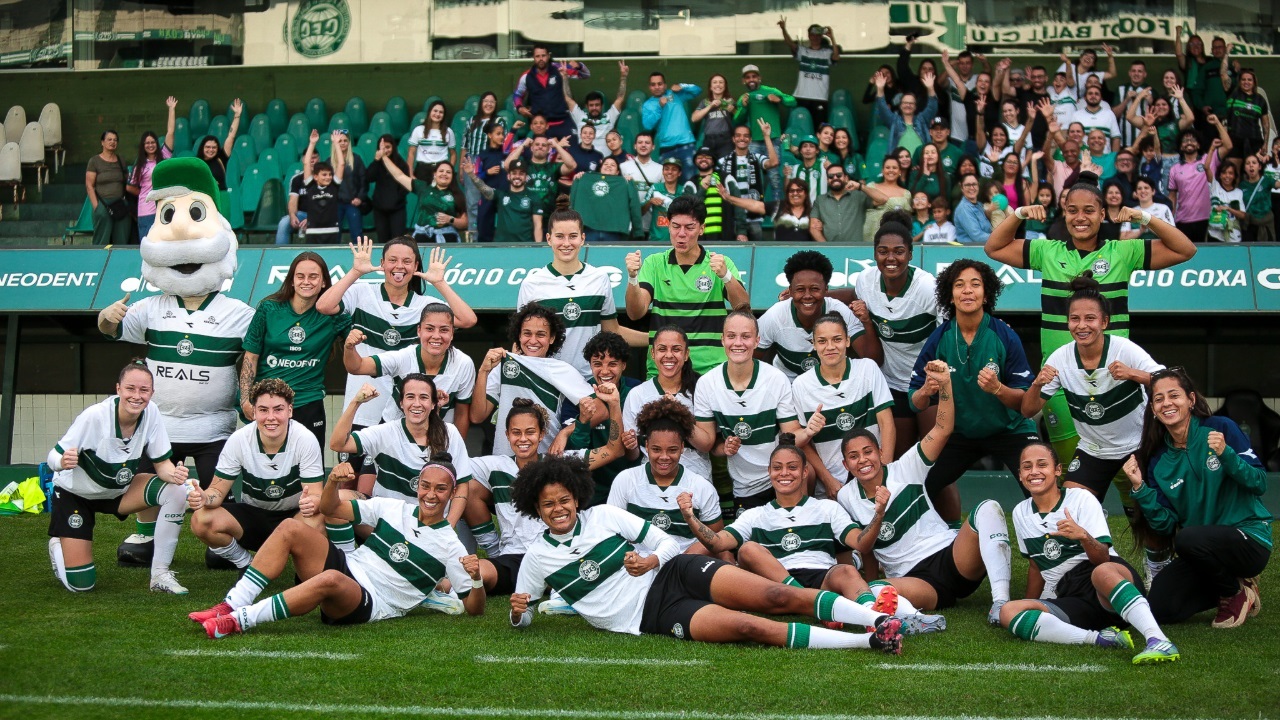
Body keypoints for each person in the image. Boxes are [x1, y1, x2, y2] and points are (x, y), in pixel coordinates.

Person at [509, 454, 906, 652]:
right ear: (536, 509)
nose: (558, 509)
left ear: (576, 497)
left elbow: (665, 544)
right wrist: (517, 612)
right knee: (750, 627)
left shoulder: (605, 516)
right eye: (548, 505)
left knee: (777, 596)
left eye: (564, 499)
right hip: (652, 615)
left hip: (674, 572)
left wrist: (650, 560)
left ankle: (877, 618)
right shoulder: (537, 557)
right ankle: (868, 641)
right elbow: (524, 613)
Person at [985, 175, 1195, 462]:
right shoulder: (1047, 251)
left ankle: (1133, 507)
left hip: (1114, 377)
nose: (1080, 217)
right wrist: (1019, 213)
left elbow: (1186, 249)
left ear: (1103, 214)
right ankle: (1077, 507)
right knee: (1071, 460)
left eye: (1088, 210)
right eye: (1072, 210)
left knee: (1125, 463)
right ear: (1064, 213)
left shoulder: (1123, 251)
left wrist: (1145, 217)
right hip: (1059, 378)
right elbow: (993, 248)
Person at [683, 433, 946, 635]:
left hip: (821, 578)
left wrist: (878, 514)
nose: (784, 473)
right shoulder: (755, 514)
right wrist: (690, 517)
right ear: (769, 472)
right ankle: (811, 601)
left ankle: (875, 618)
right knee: (749, 549)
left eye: (792, 467)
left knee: (845, 572)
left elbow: (861, 544)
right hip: (776, 583)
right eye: (778, 468)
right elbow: (718, 543)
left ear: (805, 471)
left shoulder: (827, 508)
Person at [191, 458, 484, 639]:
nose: (430, 494)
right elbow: (330, 507)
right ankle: (231, 603)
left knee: (330, 579)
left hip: (372, 600)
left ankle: (238, 621)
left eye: (441, 489)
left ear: (453, 492)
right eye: (425, 485)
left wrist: (476, 579)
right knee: (291, 528)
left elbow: (474, 608)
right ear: (417, 485)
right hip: (348, 565)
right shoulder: (393, 507)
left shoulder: (451, 546)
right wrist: (332, 482)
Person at [836, 358, 1013, 619]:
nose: (862, 460)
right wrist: (879, 513)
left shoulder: (906, 467)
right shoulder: (845, 497)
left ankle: (1001, 603)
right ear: (845, 464)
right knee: (871, 589)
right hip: (916, 581)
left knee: (988, 508)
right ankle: (921, 621)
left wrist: (944, 386)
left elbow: (942, 429)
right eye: (853, 456)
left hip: (952, 559)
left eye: (868, 452)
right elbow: (867, 548)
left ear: (881, 452)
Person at [1000, 443, 1180, 664]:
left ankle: (1158, 639)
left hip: (1106, 581)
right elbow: (1036, 566)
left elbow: (1102, 558)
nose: (1034, 472)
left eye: (1042, 465)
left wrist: (1083, 536)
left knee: (1101, 571)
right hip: (1071, 597)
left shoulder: (1080, 499)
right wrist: (1031, 602)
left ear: (1057, 470)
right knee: (1008, 611)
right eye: (1027, 467)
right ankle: (1098, 639)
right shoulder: (1020, 513)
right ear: (1020, 475)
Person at [316, 237, 477, 475]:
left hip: (400, 411)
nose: (399, 266)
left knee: (387, 477)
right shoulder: (362, 293)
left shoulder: (426, 305)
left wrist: (440, 283)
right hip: (363, 404)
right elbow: (324, 306)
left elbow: (467, 319)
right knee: (348, 475)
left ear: (415, 267)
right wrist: (355, 272)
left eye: (407, 261)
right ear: (382, 263)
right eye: (392, 260)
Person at [1126, 368, 1271, 627]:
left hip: (1247, 539)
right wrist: (1140, 489)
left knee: (1189, 538)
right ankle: (1233, 583)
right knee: (1160, 608)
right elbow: (1165, 524)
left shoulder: (1221, 428)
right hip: (1200, 550)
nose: (1166, 403)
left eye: (1174, 395)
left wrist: (1226, 454)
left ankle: (1233, 592)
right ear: (1153, 410)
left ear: (1191, 400)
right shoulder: (1158, 460)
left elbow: (1259, 483)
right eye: (1159, 399)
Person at [909, 258, 1038, 524]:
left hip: (1009, 430)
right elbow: (915, 402)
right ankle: (932, 543)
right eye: (959, 285)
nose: (967, 290)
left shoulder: (1004, 335)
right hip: (960, 434)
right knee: (917, 486)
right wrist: (926, 389)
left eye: (975, 284)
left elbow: (1025, 403)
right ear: (950, 295)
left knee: (1039, 482)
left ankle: (1053, 546)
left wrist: (998, 389)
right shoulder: (940, 338)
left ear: (986, 293)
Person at [46, 361, 190, 594]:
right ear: (118, 389)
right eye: (130, 388)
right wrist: (61, 462)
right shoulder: (94, 417)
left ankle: (160, 575)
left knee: (177, 490)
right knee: (81, 585)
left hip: (118, 491)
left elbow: (162, 464)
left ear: (151, 393)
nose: (137, 396)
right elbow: (54, 455)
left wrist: (175, 475)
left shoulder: (151, 412)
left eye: (144, 390)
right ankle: (58, 544)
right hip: (76, 495)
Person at [1020, 274, 1162, 503]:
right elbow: (1027, 410)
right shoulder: (1060, 358)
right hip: (1093, 450)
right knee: (1070, 509)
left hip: (1137, 445)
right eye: (1074, 319)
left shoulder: (1123, 349)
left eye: (1090, 318)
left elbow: (1168, 380)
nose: (1082, 325)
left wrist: (1132, 374)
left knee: (1150, 514)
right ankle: (1097, 535)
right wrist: (1037, 384)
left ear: (1104, 322)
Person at [690, 311, 822, 514]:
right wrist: (724, 447)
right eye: (732, 336)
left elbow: (791, 433)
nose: (738, 343)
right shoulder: (707, 384)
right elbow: (709, 445)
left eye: (746, 336)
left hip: (779, 475)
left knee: (808, 474)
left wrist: (808, 432)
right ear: (722, 339)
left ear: (757, 340)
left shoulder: (775, 379)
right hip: (745, 485)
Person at [187, 378, 324, 571]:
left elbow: (317, 495)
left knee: (318, 520)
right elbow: (217, 491)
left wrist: (312, 502)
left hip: (293, 518)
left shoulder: (305, 439)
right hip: (253, 516)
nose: (271, 417)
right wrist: (204, 497)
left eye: (278, 409)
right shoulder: (239, 439)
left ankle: (303, 570)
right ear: (253, 412)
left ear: (290, 411)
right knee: (201, 519)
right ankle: (246, 564)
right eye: (263, 410)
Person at [625, 196, 750, 375]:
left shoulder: (721, 263)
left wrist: (726, 276)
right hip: (664, 370)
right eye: (675, 226)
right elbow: (635, 313)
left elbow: (743, 307)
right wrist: (632, 278)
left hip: (711, 370)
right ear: (668, 226)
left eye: (689, 227)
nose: (681, 233)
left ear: (701, 229)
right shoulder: (654, 263)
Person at [240, 251, 352, 449]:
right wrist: (245, 400)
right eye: (300, 276)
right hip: (268, 403)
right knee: (263, 470)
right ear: (291, 280)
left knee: (309, 471)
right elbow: (251, 357)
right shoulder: (268, 308)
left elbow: (363, 341)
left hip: (308, 403)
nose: (306, 282)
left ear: (324, 282)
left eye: (313, 276)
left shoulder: (333, 315)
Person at [518, 209, 644, 379]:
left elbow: (612, 331)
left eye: (573, 236)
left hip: (589, 381)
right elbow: (522, 341)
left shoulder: (599, 279)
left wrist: (656, 339)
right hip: (547, 379)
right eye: (560, 236)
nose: (566, 243)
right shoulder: (532, 284)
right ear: (549, 239)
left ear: (583, 239)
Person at [330, 376, 473, 519]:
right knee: (332, 501)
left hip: (429, 522)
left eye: (423, 397)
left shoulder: (450, 433)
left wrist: (448, 525)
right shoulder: (385, 432)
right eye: (410, 397)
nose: (417, 404)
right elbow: (338, 444)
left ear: (433, 403)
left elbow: (462, 485)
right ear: (401, 403)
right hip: (386, 520)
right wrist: (356, 402)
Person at [470, 302, 602, 456]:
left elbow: (601, 410)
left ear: (552, 338)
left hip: (546, 463)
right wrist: (483, 371)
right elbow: (477, 416)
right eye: (527, 333)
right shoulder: (503, 365)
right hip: (505, 463)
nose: (533, 341)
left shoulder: (562, 370)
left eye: (540, 334)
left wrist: (565, 433)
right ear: (518, 335)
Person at [791, 313, 894, 499]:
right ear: (813, 344)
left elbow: (886, 423)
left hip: (874, 476)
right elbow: (804, 443)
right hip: (834, 484)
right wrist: (828, 480)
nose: (830, 347)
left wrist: (884, 472)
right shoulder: (801, 385)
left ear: (847, 341)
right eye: (822, 341)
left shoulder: (867, 369)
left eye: (837, 339)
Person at [609, 396, 722, 555]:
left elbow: (717, 541)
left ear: (682, 447)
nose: (664, 457)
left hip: (685, 566)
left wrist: (690, 518)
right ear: (646, 446)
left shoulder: (701, 486)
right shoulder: (626, 480)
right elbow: (611, 532)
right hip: (638, 567)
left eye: (672, 450)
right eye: (656, 449)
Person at [342, 302, 475, 437]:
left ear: (452, 333)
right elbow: (357, 367)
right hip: (393, 437)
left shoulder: (463, 364)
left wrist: (456, 451)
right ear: (419, 331)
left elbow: (462, 414)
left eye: (444, 330)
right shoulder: (403, 357)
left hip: (436, 439)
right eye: (429, 329)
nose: (436, 336)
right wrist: (349, 348)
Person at [757, 250, 879, 381]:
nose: (808, 296)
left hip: (830, 385)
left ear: (826, 289)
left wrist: (867, 322)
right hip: (788, 387)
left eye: (815, 289)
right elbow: (751, 361)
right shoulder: (774, 316)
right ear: (790, 291)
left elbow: (872, 361)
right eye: (800, 289)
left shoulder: (841, 312)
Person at [549, 331, 640, 504]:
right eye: (597, 364)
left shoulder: (636, 392)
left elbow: (642, 449)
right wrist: (582, 422)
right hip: (591, 489)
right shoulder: (577, 392)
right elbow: (574, 451)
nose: (604, 371)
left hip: (631, 486)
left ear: (623, 365)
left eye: (612, 364)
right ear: (590, 365)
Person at [621, 326, 711, 481]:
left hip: (696, 478)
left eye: (676, 349)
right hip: (651, 481)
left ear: (686, 354)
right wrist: (630, 445)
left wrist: (677, 413)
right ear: (653, 353)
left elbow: (706, 445)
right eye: (662, 349)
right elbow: (633, 455)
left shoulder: (701, 389)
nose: (669, 355)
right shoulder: (638, 394)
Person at [734, 65, 795, 203]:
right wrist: (743, 106)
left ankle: (777, 213)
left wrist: (780, 99)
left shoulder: (770, 91)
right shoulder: (744, 97)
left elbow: (793, 101)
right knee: (753, 179)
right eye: (748, 77)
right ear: (743, 81)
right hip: (754, 142)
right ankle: (755, 213)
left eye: (754, 76)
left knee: (775, 180)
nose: (751, 79)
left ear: (759, 78)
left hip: (773, 141)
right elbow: (737, 120)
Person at [1167, 115, 1232, 242]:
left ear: (1198, 145)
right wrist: (1169, 219)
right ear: (1180, 147)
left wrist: (1218, 122)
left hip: (1207, 219)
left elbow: (1228, 146)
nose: (1189, 142)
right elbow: (1172, 196)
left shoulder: (1209, 158)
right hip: (1182, 220)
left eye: (1193, 140)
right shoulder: (1174, 168)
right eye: (1185, 141)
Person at [381, 155, 467, 244]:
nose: (444, 174)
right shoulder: (423, 187)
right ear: (435, 174)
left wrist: (451, 219)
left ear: (452, 176)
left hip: (447, 238)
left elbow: (465, 222)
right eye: (441, 171)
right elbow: (399, 176)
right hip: (421, 237)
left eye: (448, 172)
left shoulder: (457, 195)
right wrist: (384, 156)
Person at [717, 122, 779, 242]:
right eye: (738, 135)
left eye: (746, 136)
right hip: (732, 217)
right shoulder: (722, 161)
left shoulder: (756, 158)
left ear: (750, 139)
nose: (742, 138)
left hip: (754, 217)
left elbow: (774, 162)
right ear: (733, 139)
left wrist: (766, 136)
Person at [125, 96, 177, 240]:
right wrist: (146, 193)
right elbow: (130, 187)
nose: (150, 145)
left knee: (165, 242)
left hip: (164, 207)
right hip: (146, 210)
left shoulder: (165, 156)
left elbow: (170, 132)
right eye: (147, 143)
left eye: (153, 142)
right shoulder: (139, 165)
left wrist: (171, 109)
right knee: (148, 243)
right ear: (143, 145)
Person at [513, 44, 588, 140]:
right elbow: (517, 95)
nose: (541, 59)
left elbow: (586, 74)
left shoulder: (560, 69)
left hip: (564, 122)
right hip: (542, 127)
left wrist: (579, 66)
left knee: (572, 153)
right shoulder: (526, 76)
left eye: (543, 56)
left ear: (548, 56)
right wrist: (519, 108)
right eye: (537, 56)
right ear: (533, 58)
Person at [464, 156, 544, 243]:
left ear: (526, 177)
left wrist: (537, 248)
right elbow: (484, 189)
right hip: (501, 245)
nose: (517, 176)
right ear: (509, 176)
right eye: (514, 173)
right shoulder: (501, 195)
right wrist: (471, 175)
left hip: (525, 245)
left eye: (521, 174)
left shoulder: (534, 197)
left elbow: (538, 225)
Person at [641, 72, 702, 183]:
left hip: (686, 145)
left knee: (690, 183)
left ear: (665, 85)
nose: (657, 87)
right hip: (666, 148)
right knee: (667, 185)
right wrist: (659, 106)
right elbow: (648, 125)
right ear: (650, 87)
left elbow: (697, 90)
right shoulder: (648, 104)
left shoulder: (675, 94)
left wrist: (682, 86)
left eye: (659, 84)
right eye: (653, 84)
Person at [778, 18, 840, 125]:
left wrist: (832, 37)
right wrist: (783, 29)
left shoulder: (827, 52)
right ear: (809, 36)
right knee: (800, 125)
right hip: (802, 96)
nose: (815, 37)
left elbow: (836, 57)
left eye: (818, 35)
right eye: (813, 34)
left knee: (819, 128)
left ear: (821, 36)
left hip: (820, 98)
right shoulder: (803, 51)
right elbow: (790, 43)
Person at [566, 61, 629, 155]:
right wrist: (564, 77)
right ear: (587, 106)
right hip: (585, 163)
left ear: (602, 106)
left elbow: (620, 99)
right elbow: (568, 99)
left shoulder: (609, 118)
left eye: (597, 105)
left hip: (604, 165)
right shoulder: (580, 117)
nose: (594, 108)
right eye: (591, 105)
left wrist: (623, 76)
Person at [874, 68, 938, 157]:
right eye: (905, 103)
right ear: (900, 106)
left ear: (915, 107)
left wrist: (930, 88)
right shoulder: (894, 121)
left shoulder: (922, 119)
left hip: (920, 165)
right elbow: (882, 108)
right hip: (899, 165)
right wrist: (880, 89)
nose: (908, 105)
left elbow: (932, 107)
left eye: (911, 103)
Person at [86, 129, 132, 246]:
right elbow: (89, 185)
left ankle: (119, 263)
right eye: (109, 139)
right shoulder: (94, 161)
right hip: (103, 204)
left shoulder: (121, 160)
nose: (113, 142)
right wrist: (97, 207)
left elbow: (126, 180)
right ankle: (98, 263)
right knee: (101, 240)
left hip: (120, 204)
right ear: (102, 142)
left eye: (115, 140)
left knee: (121, 240)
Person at [365, 135, 410, 242]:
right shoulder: (378, 163)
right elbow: (369, 177)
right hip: (380, 209)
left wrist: (396, 199)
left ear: (393, 147)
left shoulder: (401, 163)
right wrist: (376, 160)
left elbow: (406, 186)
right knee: (383, 240)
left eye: (388, 147)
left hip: (398, 208)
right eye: (383, 147)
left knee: (398, 240)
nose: (385, 150)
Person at [809, 165, 872, 242]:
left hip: (855, 248)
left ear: (846, 178)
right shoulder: (820, 200)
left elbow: (882, 200)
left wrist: (861, 186)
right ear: (827, 180)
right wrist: (826, 248)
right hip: (830, 250)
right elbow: (813, 227)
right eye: (831, 176)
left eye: (839, 175)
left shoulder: (859, 195)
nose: (835, 178)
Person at [195, 97, 242, 197]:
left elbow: (231, 136)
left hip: (221, 198)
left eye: (214, 147)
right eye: (208, 147)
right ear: (202, 147)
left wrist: (237, 116)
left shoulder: (221, 159)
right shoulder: (197, 163)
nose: (210, 150)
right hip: (202, 200)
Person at [331, 130, 367, 242]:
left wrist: (360, 198)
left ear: (349, 143)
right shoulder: (329, 162)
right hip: (335, 203)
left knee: (357, 235)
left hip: (352, 202)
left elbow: (364, 180)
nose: (342, 143)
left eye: (345, 140)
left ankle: (360, 258)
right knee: (334, 234)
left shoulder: (356, 159)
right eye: (340, 141)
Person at [692, 75, 736, 161]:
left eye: (721, 82)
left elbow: (740, 117)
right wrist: (710, 106)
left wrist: (733, 109)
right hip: (709, 140)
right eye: (715, 82)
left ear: (725, 86)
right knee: (707, 166)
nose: (718, 85)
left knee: (726, 166)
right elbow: (694, 118)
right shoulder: (705, 102)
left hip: (726, 140)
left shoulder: (731, 101)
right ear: (710, 87)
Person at [408, 100, 456, 179]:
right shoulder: (418, 130)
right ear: (430, 112)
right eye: (435, 111)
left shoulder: (449, 131)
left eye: (441, 112)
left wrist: (449, 171)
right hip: (422, 170)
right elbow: (411, 153)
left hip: (441, 170)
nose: (437, 114)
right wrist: (410, 173)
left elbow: (453, 154)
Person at [953, 173, 991, 244]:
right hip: (970, 252)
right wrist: (999, 238)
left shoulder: (980, 205)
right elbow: (977, 236)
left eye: (974, 184)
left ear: (978, 186)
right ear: (961, 188)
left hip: (985, 248)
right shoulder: (963, 208)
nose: (971, 188)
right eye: (967, 185)